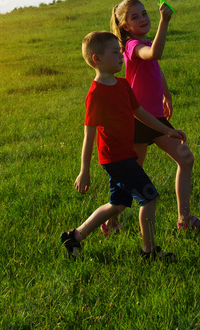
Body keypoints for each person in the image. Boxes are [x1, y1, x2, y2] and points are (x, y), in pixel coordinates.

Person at [61, 31, 186, 261]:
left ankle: (75, 237)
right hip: (115, 159)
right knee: (149, 197)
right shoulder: (96, 95)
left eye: (121, 51)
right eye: (115, 52)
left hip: (125, 155)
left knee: (117, 205)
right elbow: (88, 136)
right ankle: (149, 252)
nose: (121, 56)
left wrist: (166, 129)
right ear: (97, 59)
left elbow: (139, 112)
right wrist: (84, 171)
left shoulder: (122, 84)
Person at [104, 0, 200, 233]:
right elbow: (155, 54)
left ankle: (185, 220)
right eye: (135, 17)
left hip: (155, 118)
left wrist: (167, 94)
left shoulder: (142, 41)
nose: (143, 18)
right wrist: (164, 21)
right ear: (125, 26)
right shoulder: (132, 46)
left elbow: (155, 68)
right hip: (138, 119)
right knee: (132, 176)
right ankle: (110, 223)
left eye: (144, 14)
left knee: (186, 159)